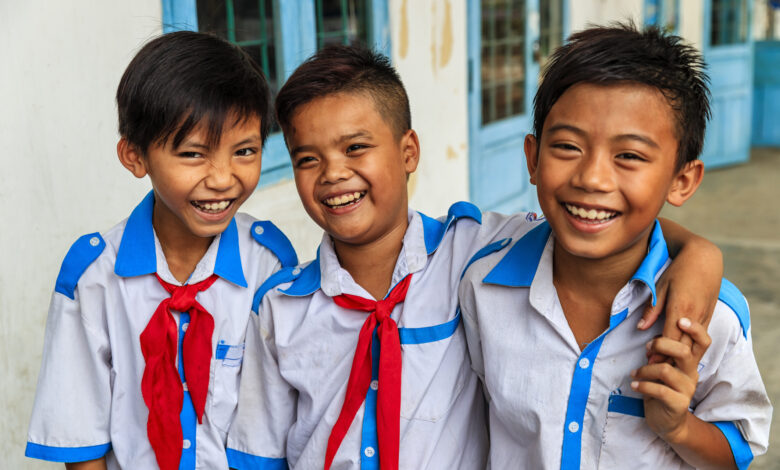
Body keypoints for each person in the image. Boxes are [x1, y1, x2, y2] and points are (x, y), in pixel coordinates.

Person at [225, 45, 725, 469]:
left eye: (356, 147)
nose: (332, 173)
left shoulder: (472, 252)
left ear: (409, 152)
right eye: (307, 159)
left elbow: (595, 222)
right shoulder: (280, 305)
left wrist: (699, 253)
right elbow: (259, 450)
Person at [459, 23, 771, 469]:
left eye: (629, 156)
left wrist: (679, 426)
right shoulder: (482, 284)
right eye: (567, 146)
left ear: (682, 180)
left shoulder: (709, 319)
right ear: (532, 158)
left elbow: (735, 450)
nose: (591, 179)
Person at [25, 31, 297, 470]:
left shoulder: (269, 264)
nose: (223, 178)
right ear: (135, 157)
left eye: (244, 151)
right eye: (194, 154)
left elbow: (276, 422)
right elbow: (82, 442)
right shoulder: (94, 277)